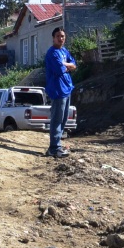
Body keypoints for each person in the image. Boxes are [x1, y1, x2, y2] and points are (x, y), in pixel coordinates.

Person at [44, 27, 77, 158]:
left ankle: (57, 145)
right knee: (57, 119)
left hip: (67, 88)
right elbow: (59, 69)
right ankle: (54, 148)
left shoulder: (64, 51)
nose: (61, 38)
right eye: (58, 36)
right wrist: (67, 65)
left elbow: (74, 64)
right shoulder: (52, 53)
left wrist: (67, 64)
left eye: (63, 36)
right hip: (57, 90)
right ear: (53, 38)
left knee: (63, 119)